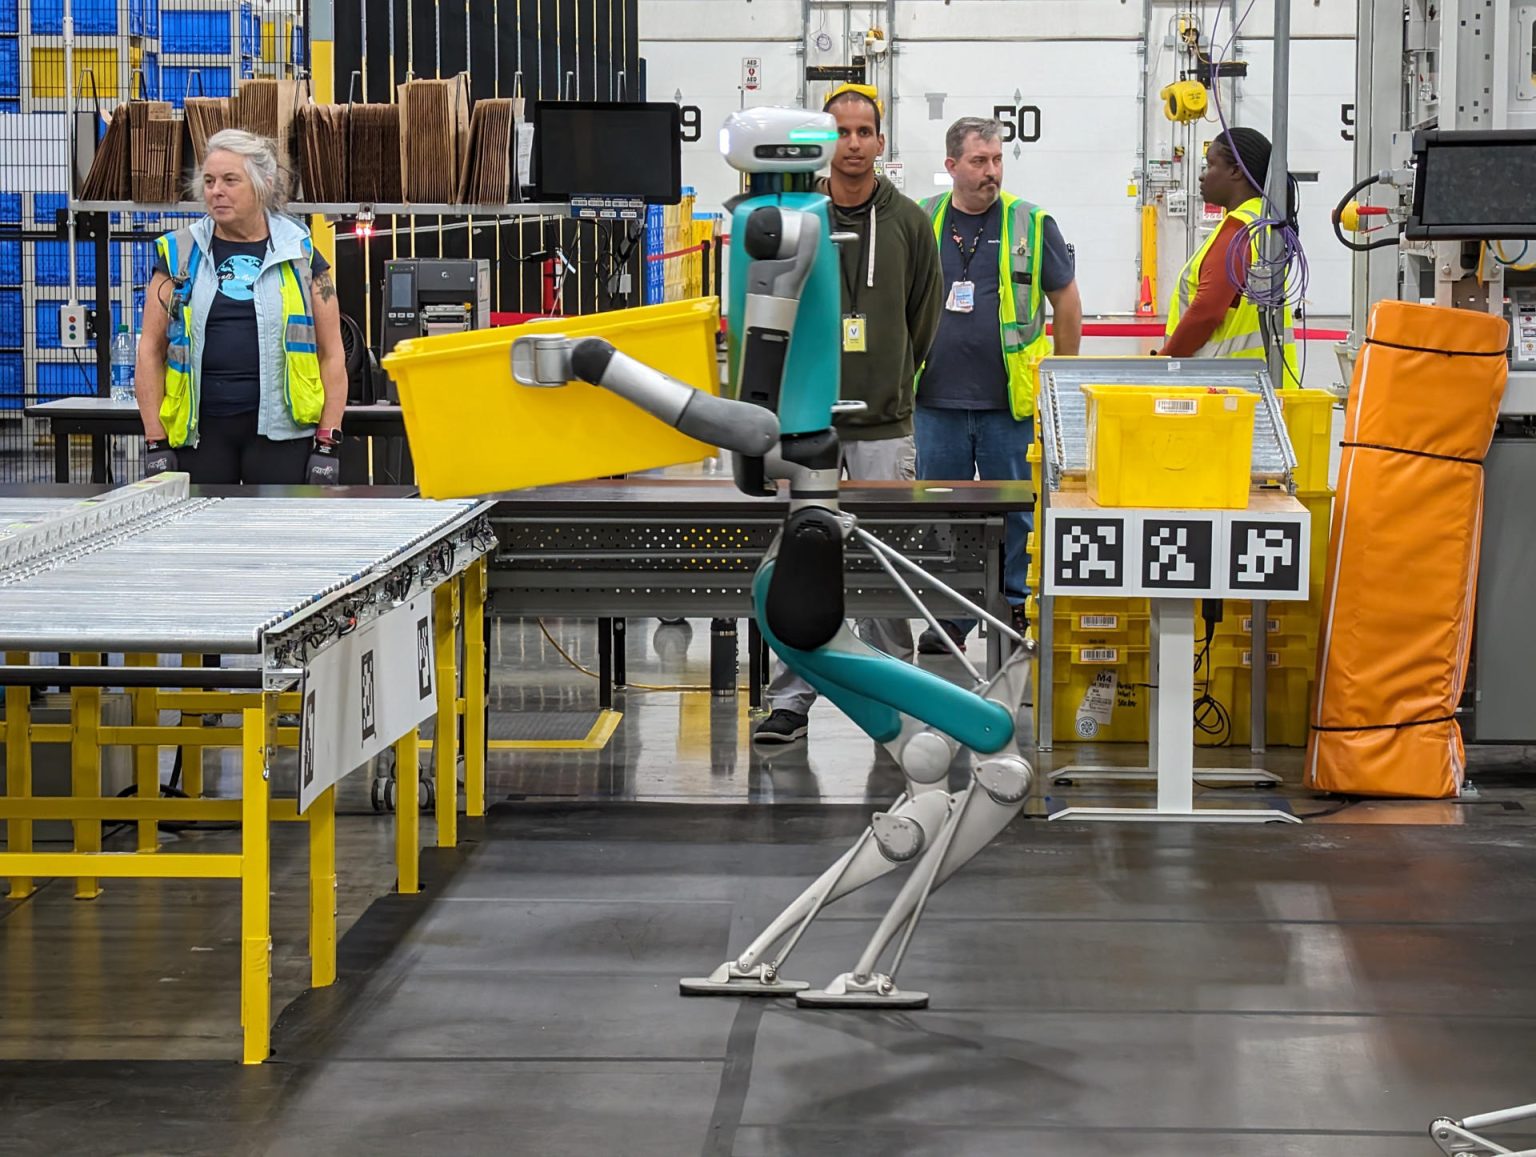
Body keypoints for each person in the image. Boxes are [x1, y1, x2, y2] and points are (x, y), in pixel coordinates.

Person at [753, 84, 945, 745]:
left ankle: (891, 689)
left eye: (866, 131)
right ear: (824, 142)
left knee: (887, 565)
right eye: (844, 131)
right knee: (794, 568)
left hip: (884, 429)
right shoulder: (796, 216)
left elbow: (924, 316)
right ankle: (791, 699)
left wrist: (889, 379)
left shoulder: (911, 223)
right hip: (807, 428)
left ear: (880, 142)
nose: (855, 143)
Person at [913, 116, 1082, 655]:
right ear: (952, 166)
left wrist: (1063, 379)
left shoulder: (1032, 223)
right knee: (945, 516)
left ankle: (1016, 609)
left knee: (1019, 513)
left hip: (1010, 403)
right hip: (935, 400)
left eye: (997, 160)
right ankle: (952, 616)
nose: (991, 172)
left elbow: (1068, 303)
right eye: (979, 161)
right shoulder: (924, 220)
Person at [136, 128, 349, 484]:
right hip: (198, 436)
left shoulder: (300, 254)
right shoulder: (179, 255)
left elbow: (332, 353)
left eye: (230, 180)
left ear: (262, 185)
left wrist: (328, 441)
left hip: (281, 435)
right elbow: (149, 350)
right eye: (209, 180)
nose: (215, 190)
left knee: (276, 538)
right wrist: (155, 439)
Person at [1159, 126, 1299, 379]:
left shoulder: (1239, 229)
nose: (1202, 176)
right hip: (1264, 384)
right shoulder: (1266, 221)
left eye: (1210, 165)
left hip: (1230, 390)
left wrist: (1164, 362)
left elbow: (1206, 312)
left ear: (1235, 171)